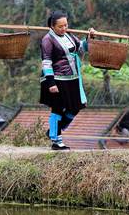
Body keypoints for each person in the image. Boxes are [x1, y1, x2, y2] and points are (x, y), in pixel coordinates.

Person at [40, 11, 94, 150]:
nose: (64, 28)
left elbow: (82, 47)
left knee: (75, 107)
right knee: (57, 108)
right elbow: (46, 62)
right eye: (60, 26)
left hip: (72, 78)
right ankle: (56, 141)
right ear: (52, 26)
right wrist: (51, 83)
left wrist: (89, 37)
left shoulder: (69, 36)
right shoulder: (47, 40)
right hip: (56, 79)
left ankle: (53, 130)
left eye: (66, 25)